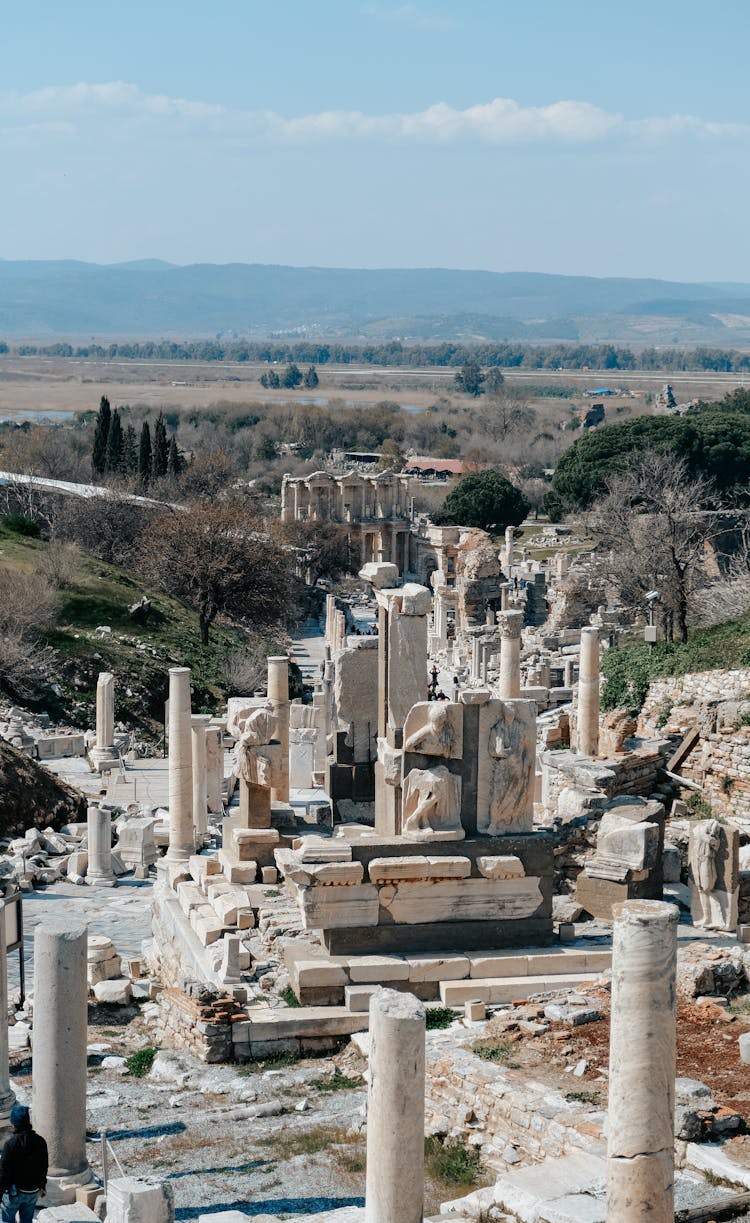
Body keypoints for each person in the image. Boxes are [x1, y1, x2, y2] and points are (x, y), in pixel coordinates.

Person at [0, 1105, 48, 1223]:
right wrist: (42, 1186)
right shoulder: (40, 1141)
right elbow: (44, 1166)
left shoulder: (10, 1145)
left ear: (14, 1124)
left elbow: (3, 1173)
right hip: (32, 1191)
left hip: (14, 1193)